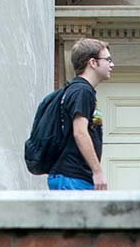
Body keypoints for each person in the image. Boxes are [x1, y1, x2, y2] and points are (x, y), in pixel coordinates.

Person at [47, 39, 113, 190]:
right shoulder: (82, 91)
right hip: (72, 178)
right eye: (108, 60)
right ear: (93, 62)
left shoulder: (78, 90)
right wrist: (97, 172)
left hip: (72, 177)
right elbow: (80, 132)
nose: (112, 64)